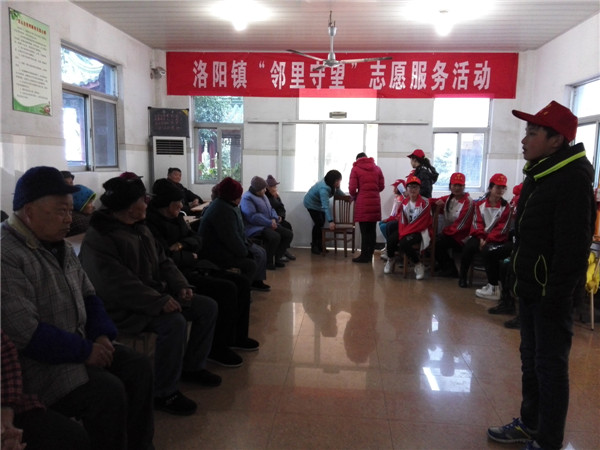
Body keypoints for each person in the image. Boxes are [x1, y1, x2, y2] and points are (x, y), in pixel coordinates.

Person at [1, 166, 154, 449]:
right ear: (29, 211)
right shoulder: (6, 254)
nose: (69, 220)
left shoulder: (59, 245)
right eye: (61, 211)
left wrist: (101, 335)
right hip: (38, 366)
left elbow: (89, 294)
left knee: (138, 367)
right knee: (107, 392)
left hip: (79, 343)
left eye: (71, 211)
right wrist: (86, 351)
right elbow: (25, 333)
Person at [487, 101, 595, 450]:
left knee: (550, 369)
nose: (524, 140)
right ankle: (530, 424)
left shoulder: (572, 180)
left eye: (532, 133)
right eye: (527, 132)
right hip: (533, 289)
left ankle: (548, 441)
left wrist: (556, 298)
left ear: (556, 140)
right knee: (531, 363)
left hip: (551, 296)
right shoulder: (541, 174)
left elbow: (572, 249)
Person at [79, 176, 220, 416]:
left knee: (207, 307)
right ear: (129, 206)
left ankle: (192, 367)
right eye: (142, 199)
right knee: (173, 323)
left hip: (153, 296)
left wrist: (180, 284)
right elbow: (117, 285)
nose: (147, 203)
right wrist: (159, 301)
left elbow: (163, 261)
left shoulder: (140, 227)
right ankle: (164, 392)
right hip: (124, 308)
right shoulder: (100, 238)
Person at [146, 179, 259, 362]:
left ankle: (237, 337)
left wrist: (181, 245)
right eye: (178, 203)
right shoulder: (151, 225)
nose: (181, 206)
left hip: (192, 266)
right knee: (227, 289)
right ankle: (218, 348)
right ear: (166, 204)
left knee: (242, 283)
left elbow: (197, 240)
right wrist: (189, 254)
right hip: (179, 274)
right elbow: (165, 257)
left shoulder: (177, 218)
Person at [198, 177, 271, 292]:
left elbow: (235, 234)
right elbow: (231, 238)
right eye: (238, 196)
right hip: (215, 252)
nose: (240, 199)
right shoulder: (223, 210)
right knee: (251, 262)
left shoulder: (225, 205)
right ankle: (243, 290)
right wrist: (244, 251)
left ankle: (253, 283)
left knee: (260, 251)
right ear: (232, 196)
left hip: (225, 246)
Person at [457, 173, 513, 299]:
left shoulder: (506, 207)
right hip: (480, 235)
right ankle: (463, 277)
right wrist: (481, 237)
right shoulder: (480, 204)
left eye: (503, 188)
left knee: (489, 251)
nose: (500, 190)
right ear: (490, 188)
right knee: (468, 247)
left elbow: (502, 228)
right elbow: (477, 222)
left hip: (496, 239)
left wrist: (488, 239)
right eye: (497, 187)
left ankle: (492, 284)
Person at [383, 175, 432, 279]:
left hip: (419, 231)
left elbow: (421, 223)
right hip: (406, 229)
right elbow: (402, 220)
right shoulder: (404, 202)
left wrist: (405, 232)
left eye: (415, 187)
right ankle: (391, 259)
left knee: (404, 243)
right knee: (391, 239)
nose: (413, 190)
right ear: (406, 189)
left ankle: (418, 264)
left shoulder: (425, 203)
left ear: (419, 189)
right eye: (410, 187)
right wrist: (403, 231)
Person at [240, 176, 294, 270]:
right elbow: (253, 217)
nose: (265, 190)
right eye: (263, 189)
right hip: (255, 227)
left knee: (288, 234)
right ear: (257, 189)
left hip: (269, 224)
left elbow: (271, 209)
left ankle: (277, 258)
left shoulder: (263, 195)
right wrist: (269, 222)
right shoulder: (247, 198)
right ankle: (268, 262)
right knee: (275, 237)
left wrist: (274, 218)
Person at [431, 172, 475, 277]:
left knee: (438, 243)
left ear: (464, 186)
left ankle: (451, 270)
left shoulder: (468, 202)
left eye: (460, 185)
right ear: (450, 186)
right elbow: (433, 201)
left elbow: (461, 226)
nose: (457, 188)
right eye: (454, 185)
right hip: (451, 233)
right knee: (433, 239)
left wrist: (444, 232)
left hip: (462, 236)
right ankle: (443, 264)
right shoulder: (450, 198)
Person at [348, 152, 385, 263]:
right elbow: (381, 186)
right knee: (372, 231)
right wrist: (373, 191)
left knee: (364, 232)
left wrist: (357, 194)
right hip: (375, 202)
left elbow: (352, 189)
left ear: (357, 159)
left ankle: (364, 256)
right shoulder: (377, 168)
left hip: (363, 203)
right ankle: (370, 255)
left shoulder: (355, 169)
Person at [303, 170, 345, 255]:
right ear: (333, 180)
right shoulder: (324, 189)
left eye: (339, 181)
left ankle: (320, 245)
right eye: (338, 181)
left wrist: (347, 197)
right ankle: (314, 246)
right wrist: (331, 221)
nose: (339, 183)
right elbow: (325, 206)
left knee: (321, 223)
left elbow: (337, 191)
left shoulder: (331, 184)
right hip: (311, 204)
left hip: (318, 204)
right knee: (319, 223)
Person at [265, 174, 296, 261]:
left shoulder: (276, 196)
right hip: (270, 220)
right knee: (283, 229)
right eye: (274, 186)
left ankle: (283, 249)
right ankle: (280, 253)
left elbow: (281, 208)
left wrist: (281, 216)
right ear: (268, 188)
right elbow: (270, 208)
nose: (275, 188)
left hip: (278, 218)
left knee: (287, 225)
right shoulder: (265, 196)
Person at [379, 179, 406, 261]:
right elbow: (393, 213)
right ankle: (388, 245)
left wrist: (388, 220)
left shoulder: (402, 199)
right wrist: (389, 219)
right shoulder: (397, 198)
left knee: (384, 226)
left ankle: (390, 248)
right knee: (381, 223)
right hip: (394, 219)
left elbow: (398, 215)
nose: (394, 189)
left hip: (399, 221)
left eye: (395, 187)